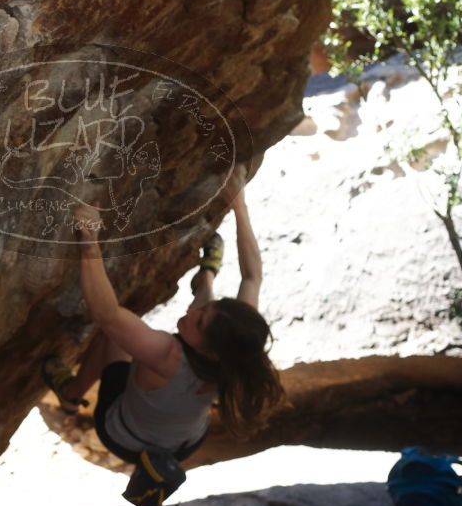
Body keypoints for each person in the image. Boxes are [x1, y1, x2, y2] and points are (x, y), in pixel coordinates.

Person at [42, 186, 285, 474]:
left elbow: (106, 315)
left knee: (117, 335)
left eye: (197, 322)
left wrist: (90, 242)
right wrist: (239, 204)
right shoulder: (239, 352)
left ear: (212, 351)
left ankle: (71, 393)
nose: (191, 313)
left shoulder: (167, 356)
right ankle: (206, 276)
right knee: (206, 316)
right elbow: (252, 276)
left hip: (124, 437)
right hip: (183, 443)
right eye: (204, 309)